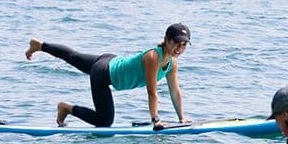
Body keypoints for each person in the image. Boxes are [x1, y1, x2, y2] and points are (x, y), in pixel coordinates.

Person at [24, 23, 194, 129]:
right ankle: (66, 108)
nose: (179, 48)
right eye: (176, 43)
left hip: (110, 61)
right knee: (104, 122)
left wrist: (182, 118)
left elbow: (175, 92)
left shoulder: (172, 62)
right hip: (103, 75)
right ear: (166, 40)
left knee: (74, 57)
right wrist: (155, 120)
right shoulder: (153, 57)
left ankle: (40, 46)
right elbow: (152, 92)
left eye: (183, 45)